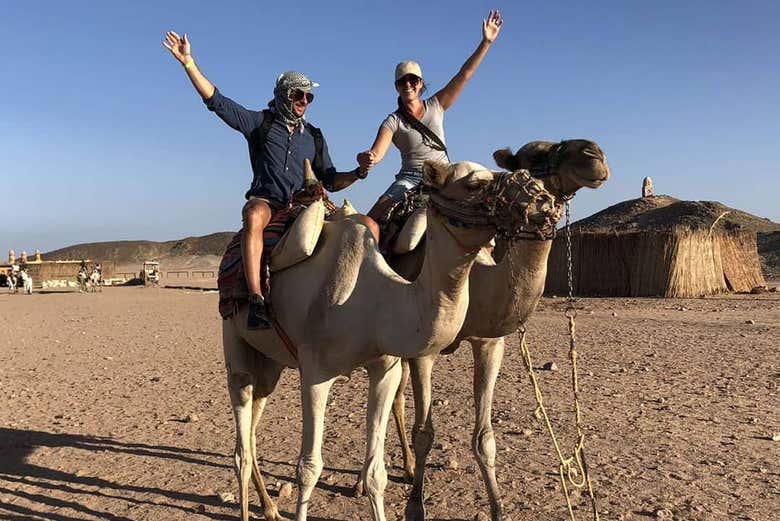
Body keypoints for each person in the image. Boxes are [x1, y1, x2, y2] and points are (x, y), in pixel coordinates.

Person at [163, 31, 371, 329]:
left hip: (306, 205)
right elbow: (218, 102)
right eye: (298, 95)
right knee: (253, 215)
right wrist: (188, 64)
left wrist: (358, 172)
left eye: (308, 96)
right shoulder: (260, 124)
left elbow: (330, 179)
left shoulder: (313, 136)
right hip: (269, 201)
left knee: (357, 228)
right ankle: (257, 298)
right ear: (284, 95)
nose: (304, 101)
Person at [357, 10, 503, 230]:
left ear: (420, 84)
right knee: (370, 219)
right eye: (402, 81)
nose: (408, 85)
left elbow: (464, 74)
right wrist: (366, 159)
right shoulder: (393, 121)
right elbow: (376, 154)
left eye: (412, 80)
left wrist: (486, 43)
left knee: (488, 199)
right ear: (396, 86)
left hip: (445, 174)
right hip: (410, 178)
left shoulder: (436, 105)